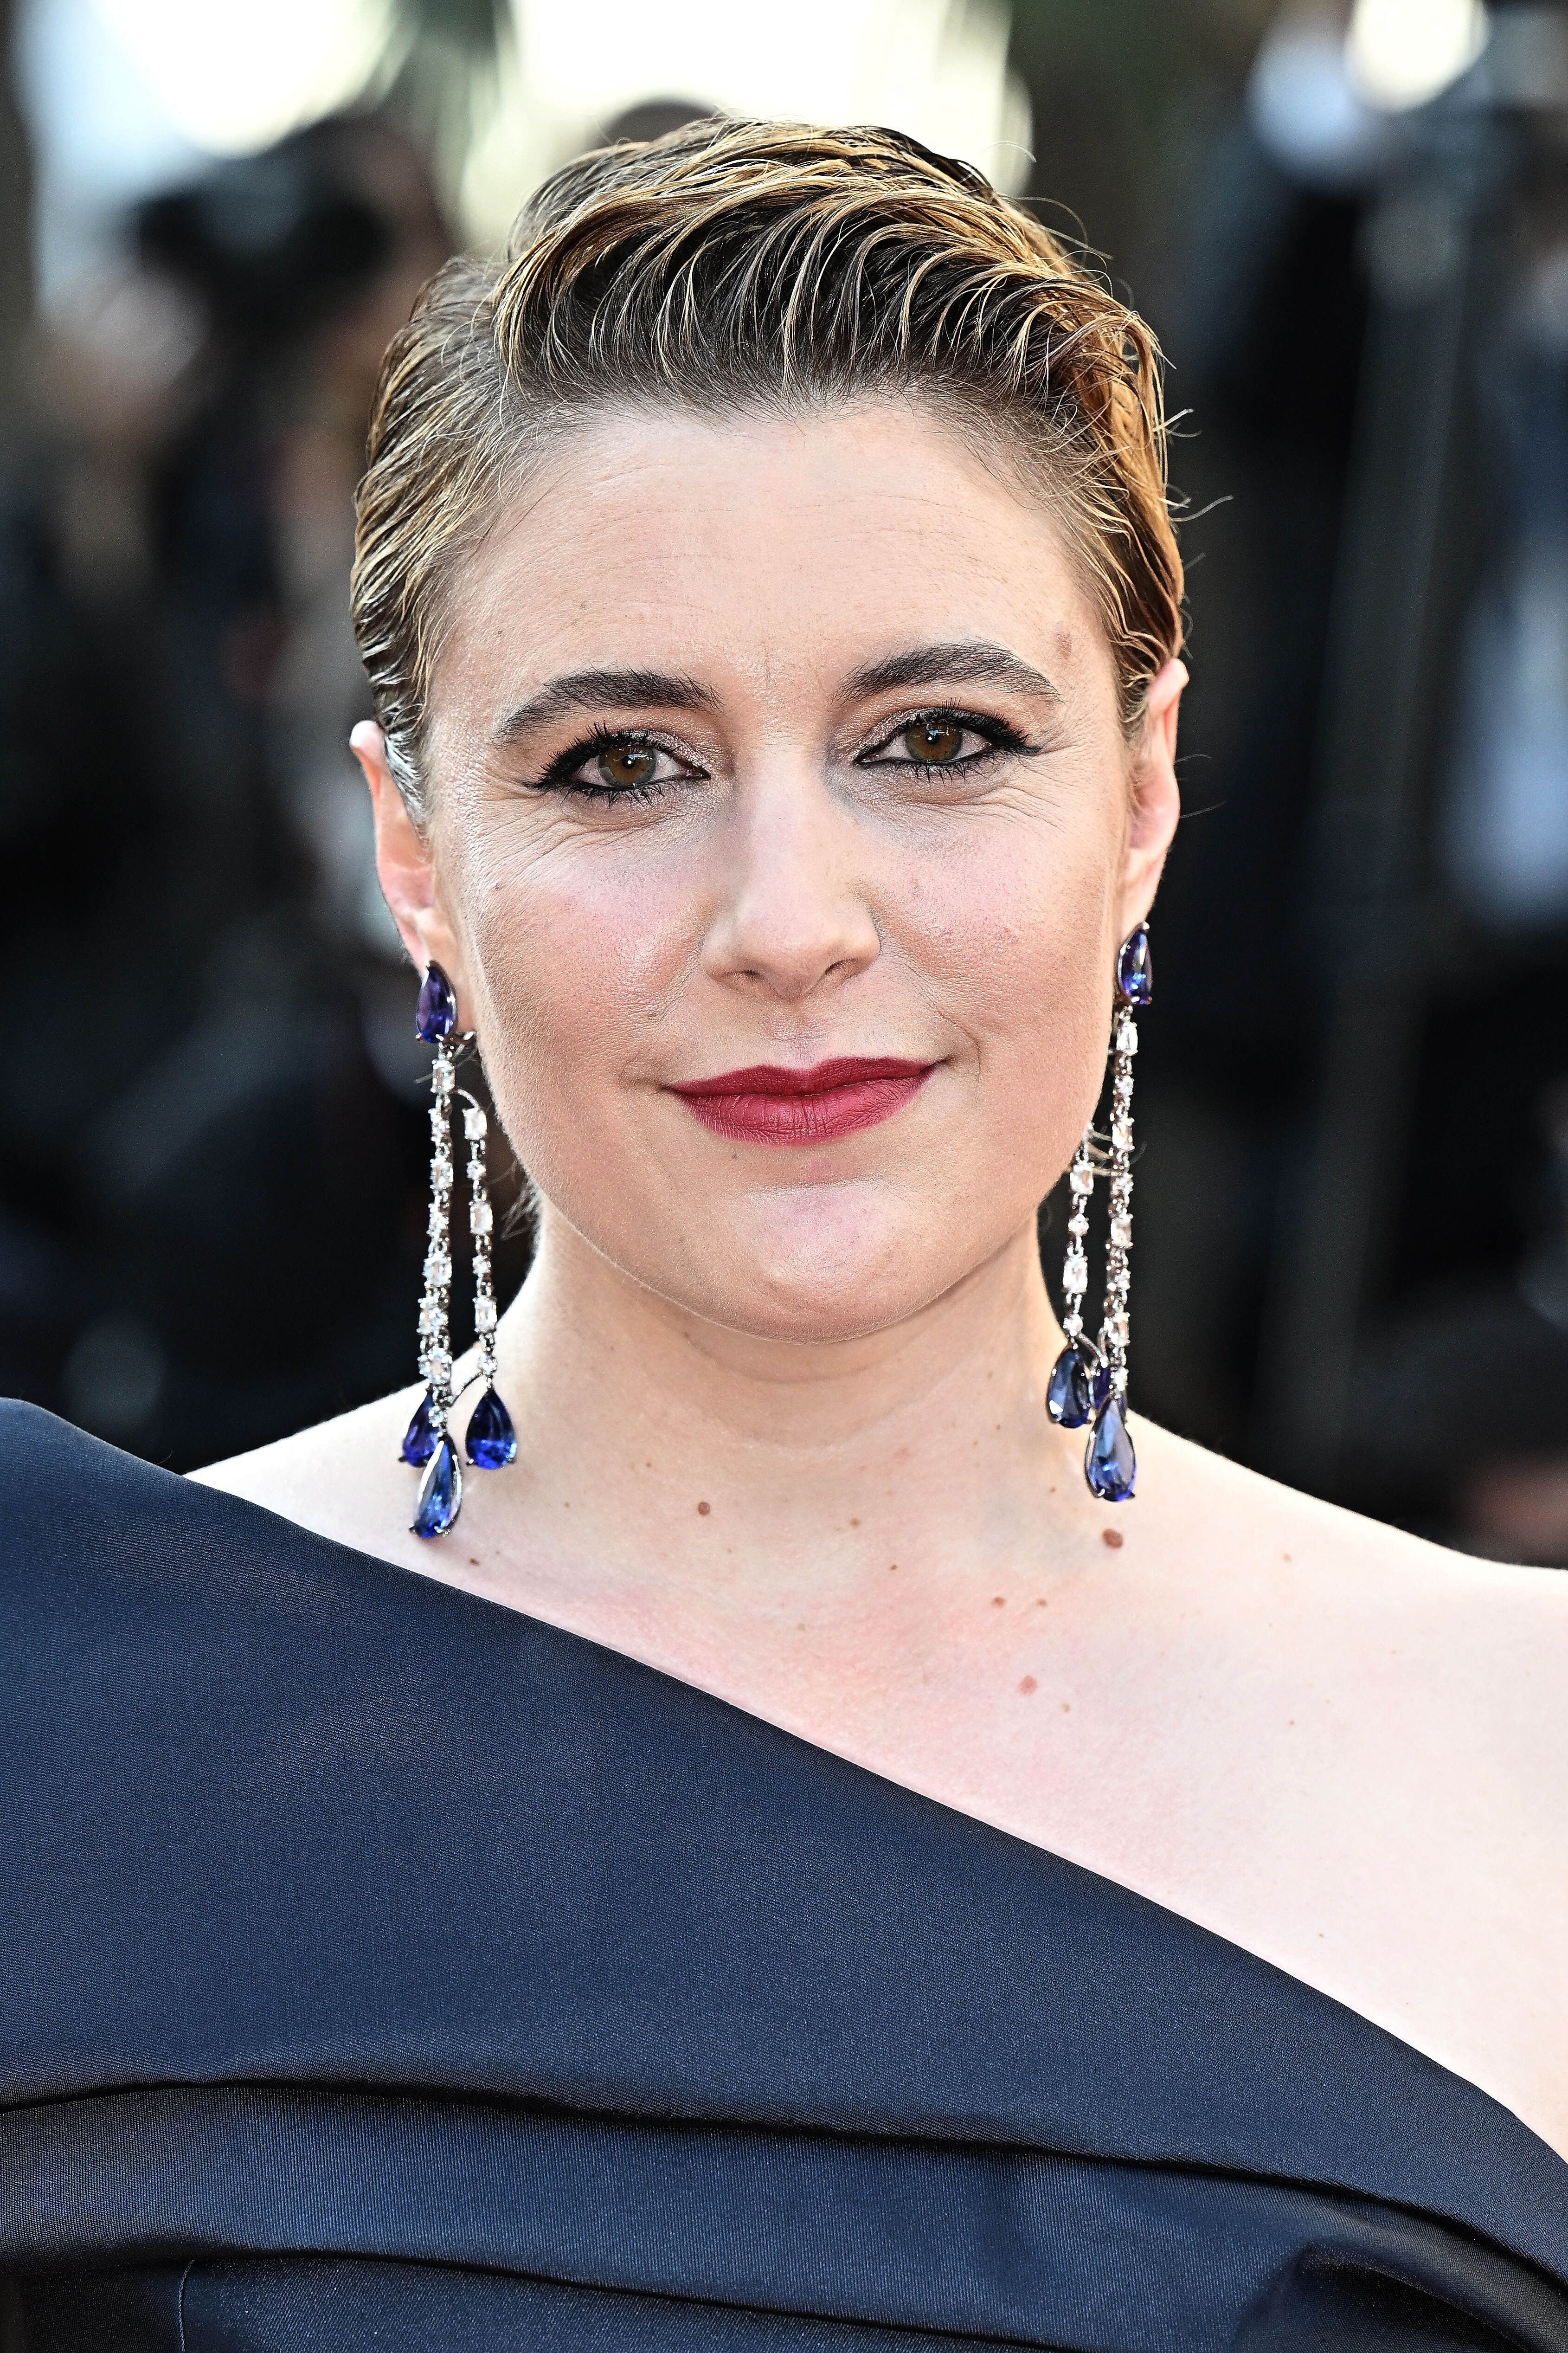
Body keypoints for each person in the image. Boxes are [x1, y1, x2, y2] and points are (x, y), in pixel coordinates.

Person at [3, 121, 1565, 2351]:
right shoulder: (54, 1703)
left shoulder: (1534, 1752)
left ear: (1137, 802)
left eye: (934, 739)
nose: (788, 925)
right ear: (413, 850)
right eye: (620, 766)